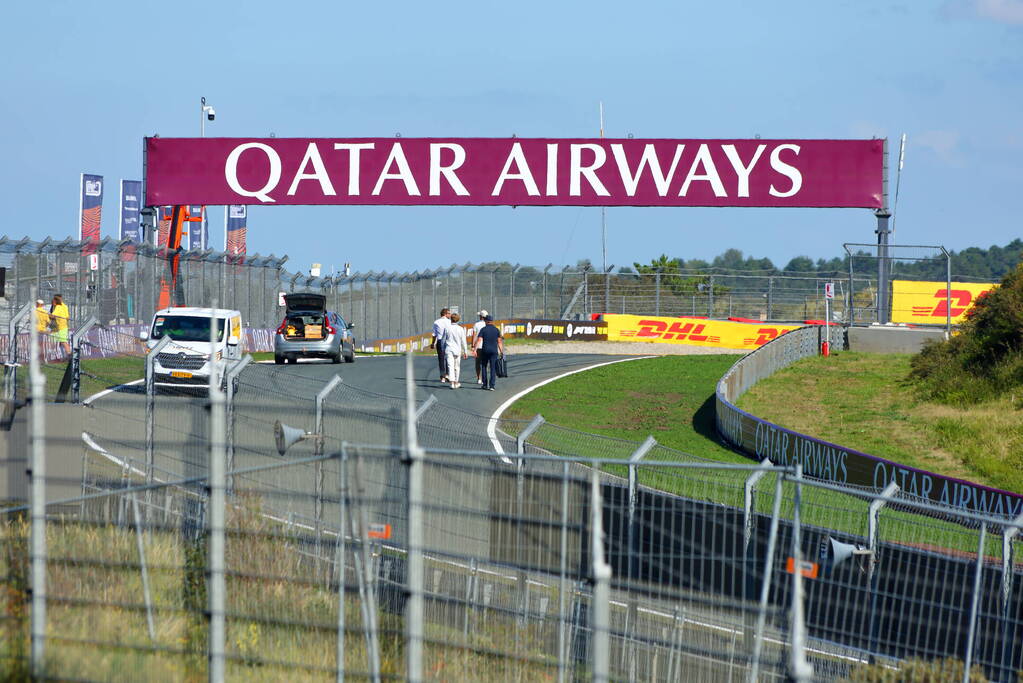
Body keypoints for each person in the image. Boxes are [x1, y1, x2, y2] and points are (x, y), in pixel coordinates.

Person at [473, 315, 503, 391]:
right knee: (493, 368)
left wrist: (475, 349)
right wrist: (502, 352)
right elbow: (499, 342)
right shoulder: (496, 330)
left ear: (485, 321)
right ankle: (492, 386)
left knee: (483, 366)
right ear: (492, 321)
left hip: (485, 350)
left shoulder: (483, 329)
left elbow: (479, 340)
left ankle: (485, 384)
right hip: (494, 351)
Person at [442, 313, 469, 389]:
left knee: (450, 366)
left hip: (449, 349)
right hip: (457, 349)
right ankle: (456, 382)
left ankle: (451, 383)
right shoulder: (460, 329)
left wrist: (443, 349)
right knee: (457, 366)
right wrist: (465, 351)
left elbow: (443, 340)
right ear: (458, 320)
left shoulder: (447, 328)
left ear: (451, 319)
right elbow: (464, 341)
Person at [429, 307, 452, 382]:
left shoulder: (436, 322)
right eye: (449, 313)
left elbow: (434, 334)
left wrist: (432, 343)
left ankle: (442, 376)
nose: (450, 314)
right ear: (445, 314)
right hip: (448, 341)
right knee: (448, 358)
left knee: (441, 359)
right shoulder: (449, 322)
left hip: (439, 340)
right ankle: (448, 375)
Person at [50, 294, 70, 359]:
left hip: (61, 326)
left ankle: (69, 355)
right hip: (62, 326)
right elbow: (67, 317)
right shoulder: (62, 306)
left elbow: (52, 315)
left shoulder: (58, 307)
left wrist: (44, 314)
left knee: (63, 341)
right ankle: (64, 356)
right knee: (61, 342)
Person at [471, 309, 488, 384]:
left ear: (481, 317)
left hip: (478, 347)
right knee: (485, 363)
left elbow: (474, 336)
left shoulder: (476, 324)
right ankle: (484, 377)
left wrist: (472, 345)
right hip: (486, 346)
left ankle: (479, 378)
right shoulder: (487, 324)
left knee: (478, 363)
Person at [34, 299, 50, 363]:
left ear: (37, 304)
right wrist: (45, 326)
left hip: (36, 330)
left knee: (37, 344)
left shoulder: (34, 311)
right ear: (42, 305)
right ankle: (44, 358)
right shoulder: (45, 312)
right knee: (42, 344)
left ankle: (38, 358)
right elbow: (48, 322)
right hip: (43, 330)